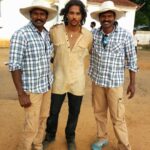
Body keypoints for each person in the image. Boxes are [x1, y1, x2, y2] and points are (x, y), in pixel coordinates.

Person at [43, 0, 93, 150]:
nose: (74, 17)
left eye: (78, 13)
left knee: (74, 112)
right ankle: (50, 135)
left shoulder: (88, 36)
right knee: (53, 111)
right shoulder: (55, 31)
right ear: (66, 14)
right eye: (71, 13)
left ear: (82, 16)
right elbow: (46, 49)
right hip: (58, 79)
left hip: (78, 81)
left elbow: (89, 53)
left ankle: (70, 137)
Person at [8, 0, 57, 150]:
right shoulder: (21, 34)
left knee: (43, 119)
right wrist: (21, 93)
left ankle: (37, 145)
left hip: (46, 86)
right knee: (31, 124)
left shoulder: (47, 34)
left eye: (42, 14)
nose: (39, 17)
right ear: (30, 15)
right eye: (36, 13)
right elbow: (14, 65)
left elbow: (49, 57)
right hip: (31, 88)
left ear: (46, 16)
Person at [89, 1, 137, 150]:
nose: (106, 19)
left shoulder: (125, 35)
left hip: (114, 83)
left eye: (109, 16)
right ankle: (102, 138)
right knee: (99, 113)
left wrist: (132, 83)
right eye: (103, 16)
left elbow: (132, 59)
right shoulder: (93, 34)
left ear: (114, 17)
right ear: (99, 18)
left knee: (118, 117)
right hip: (97, 81)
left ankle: (124, 145)